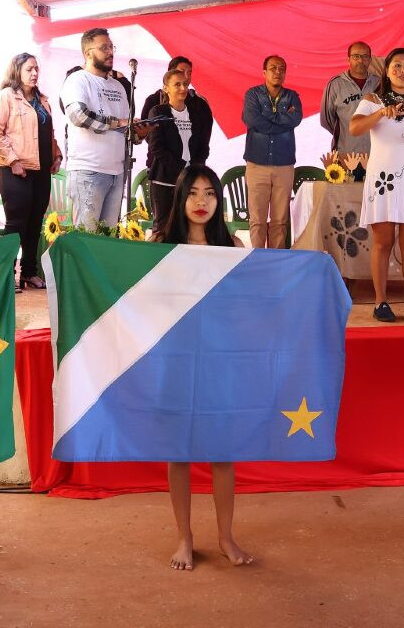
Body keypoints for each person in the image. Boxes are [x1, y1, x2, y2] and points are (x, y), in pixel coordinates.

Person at [150, 164, 250, 570]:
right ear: (180, 198)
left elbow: (246, 307)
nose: (201, 202)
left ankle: (226, 536)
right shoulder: (159, 246)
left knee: (222, 452)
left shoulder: (234, 247)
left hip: (219, 361)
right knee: (180, 452)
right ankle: (184, 536)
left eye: (210, 193)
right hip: (175, 360)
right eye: (193, 193)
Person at [349, 48, 404, 322]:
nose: (403, 71)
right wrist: (380, 114)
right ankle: (380, 303)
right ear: (387, 71)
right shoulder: (372, 100)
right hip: (382, 180)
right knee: (383, 242)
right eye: (397, 66)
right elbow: (354, 128)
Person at [0, 53, 62, 292]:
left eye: (37, 69)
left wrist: (56, 154)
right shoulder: (6, 97)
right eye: (29, 69)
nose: (34, 73)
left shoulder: (43, 100)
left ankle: (29, 273)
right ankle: (6, 274)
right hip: (14, 169)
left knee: (34, 223)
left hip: (40, 168)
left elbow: (48, 133)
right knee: (16, 222)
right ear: (17, 71)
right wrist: (13, 161)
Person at [58, 28, 132, 230]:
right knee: (87, 237)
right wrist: (117, 123)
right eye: (104, 48)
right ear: (88, 53)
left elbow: (125, 125)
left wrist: (137, 131)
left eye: (111, 47)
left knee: (107, 239)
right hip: (88, 171)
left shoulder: (118, 86)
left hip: (116, 172)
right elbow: (78, 116)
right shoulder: (78, 80)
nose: (110, 52)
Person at [242, 55, 302, 249]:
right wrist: (281, 119)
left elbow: (295, 120)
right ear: (264, 72)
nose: (278, 72)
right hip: (256, 164)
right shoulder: (252, 94)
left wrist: (267, 117)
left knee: (279, 220)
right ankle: (257, 258)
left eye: (282, 68)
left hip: (284, 164)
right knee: (257, 220)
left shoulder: (292, 96)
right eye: (273, 68)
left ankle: (276, 260)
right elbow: (252, 120)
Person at [146, 68, 213, 230]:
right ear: (166, 88)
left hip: (190, 180)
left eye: (185, 84)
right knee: (163, 227)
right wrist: (181, 168)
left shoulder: (196, 113)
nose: (183, 88)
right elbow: (157, 147)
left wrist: (194, 169)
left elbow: (203, 145)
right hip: (164, 181)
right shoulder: (158, 111)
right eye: (177, 85)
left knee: (188, 228)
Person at [320, 41, 375, 164]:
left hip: (375, 155)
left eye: (365, 56)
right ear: (348, 59)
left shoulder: (378, 83)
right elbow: (327, 120)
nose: (360, 60)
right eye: (356, 56)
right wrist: (346, 134)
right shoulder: (335, 84)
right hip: (345, 155)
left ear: (370, 60)